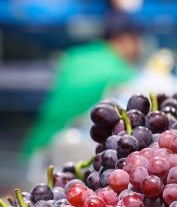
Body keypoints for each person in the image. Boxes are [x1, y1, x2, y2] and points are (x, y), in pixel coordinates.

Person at [22, 13, 141, 159]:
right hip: (62, 148)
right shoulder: (123, 73)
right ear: (125, 40)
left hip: (38, 142)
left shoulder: (74, 56)